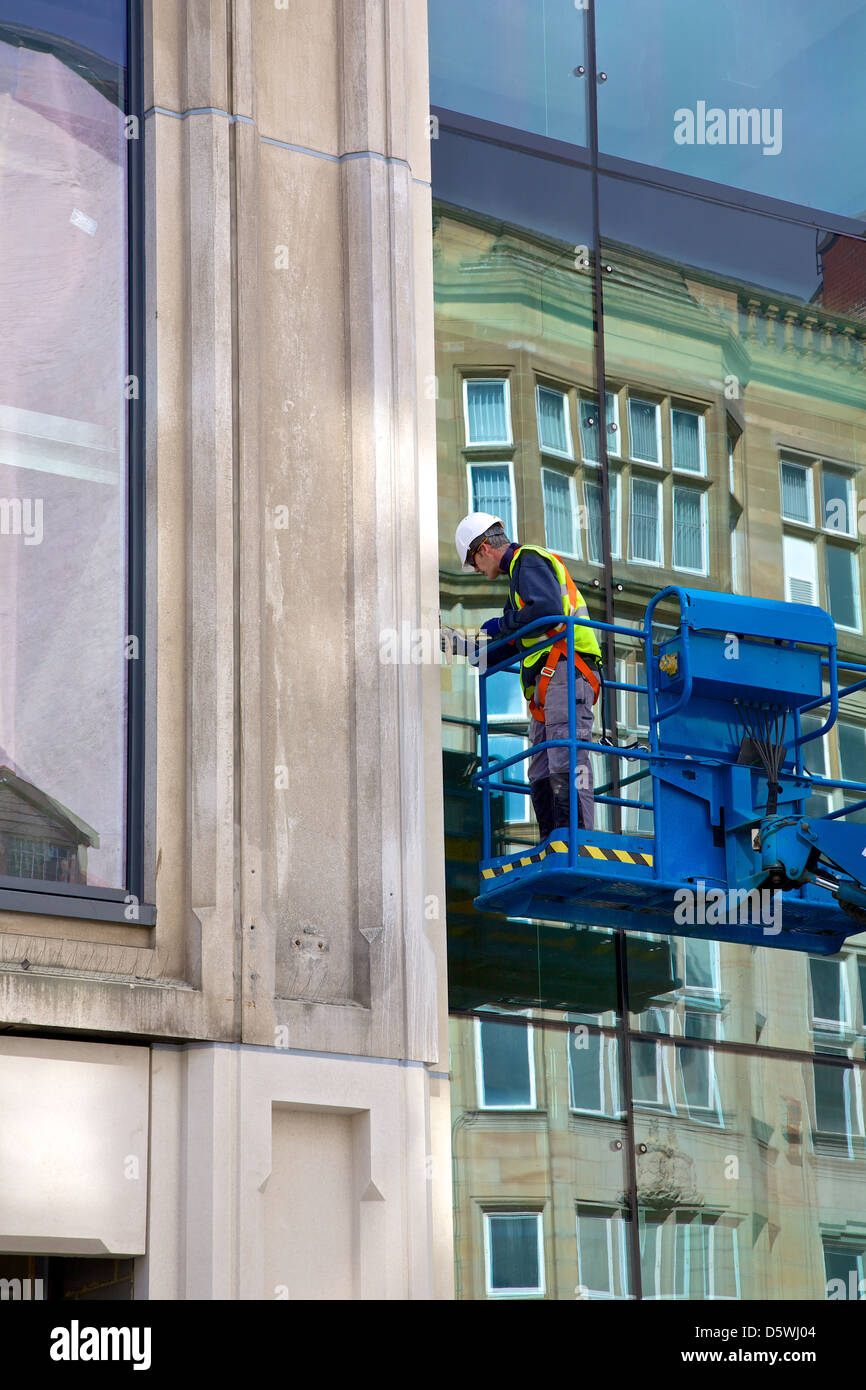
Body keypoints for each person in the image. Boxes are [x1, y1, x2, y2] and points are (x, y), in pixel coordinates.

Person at [454, 512, 602, 839]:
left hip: (567, 668)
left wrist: (499, 625)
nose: (478, 571)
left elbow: (547, 610)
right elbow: (516, 642)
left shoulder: (529, 560)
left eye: (474, 563)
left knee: (566, 755)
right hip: (550, 681)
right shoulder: (518, 586)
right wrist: (471, 650)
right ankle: (554, 840)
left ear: (482, 550)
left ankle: (577, 841)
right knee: (540, 768)